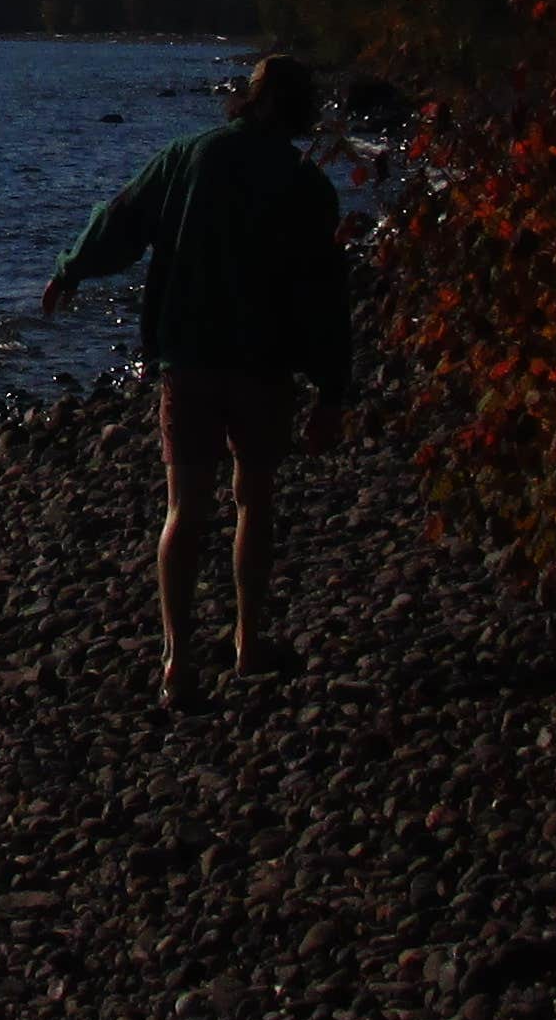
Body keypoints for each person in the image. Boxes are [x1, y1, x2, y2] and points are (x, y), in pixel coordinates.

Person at [38, 51, 353, 708]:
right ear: (295, 109)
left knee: (186, 507)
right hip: (265, 366)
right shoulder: (306, 186)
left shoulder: (191, 155)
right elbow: (325, 298)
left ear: (249, 98)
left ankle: (179, 664)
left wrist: (71, 267)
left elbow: (123, 220)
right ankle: (247, 642)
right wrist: (333, 389)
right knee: (253, 500)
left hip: (190, 358)